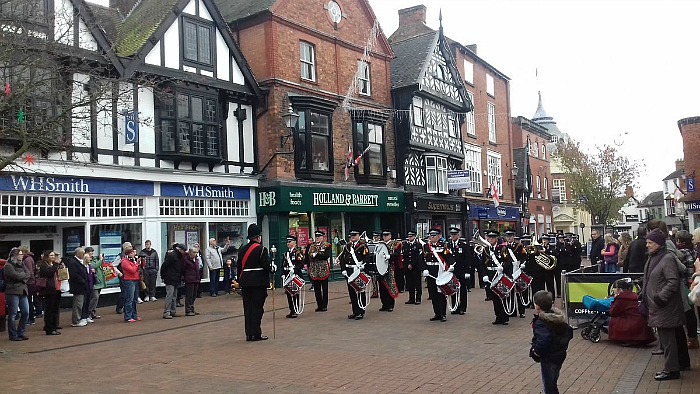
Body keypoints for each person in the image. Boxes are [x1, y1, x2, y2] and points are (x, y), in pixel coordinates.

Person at [643, 228, 687, 381]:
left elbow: (673, 281)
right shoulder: (653, 257)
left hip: (664, 306)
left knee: (668, 340)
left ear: (658, 244)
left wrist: (661, 297)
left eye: (650, 243)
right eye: (647, 242)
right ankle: (680, 364)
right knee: (669, 338)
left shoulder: (666, 258)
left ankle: (671, 370)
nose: (647, 245)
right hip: (659, 306)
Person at [529, 290, 573, 394]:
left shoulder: (541, 322)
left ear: (538, 306)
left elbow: (543, 340)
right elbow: (569, 332)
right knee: (553, 382)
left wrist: (536, 352)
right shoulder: (557, 318)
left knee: (548, 385)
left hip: (549, 357)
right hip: (559, 355)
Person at [237, 223, 273, 341]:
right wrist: (273, 268)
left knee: (248, 309)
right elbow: (267, 267)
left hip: (246, 283)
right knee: (257, 309)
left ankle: (248, 334)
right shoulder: (262, 249)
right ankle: (256, 333)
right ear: (258, 237)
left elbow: (239, 268)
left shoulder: (242, 249)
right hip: (258, 283)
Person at [608, 278, 656, 346]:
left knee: (613, 319)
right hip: (643, 326)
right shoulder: (635, 296)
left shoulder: (621, 298)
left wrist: (613, 302)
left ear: (620, 290)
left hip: (631, 325)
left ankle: (626, 338)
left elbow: (613, 312)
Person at [339, 230, 371, 320]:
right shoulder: (347, 246)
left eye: (354, 235)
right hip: (349, 270)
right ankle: (355, 311)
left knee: (360, 290)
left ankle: (361, 311)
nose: (352, 237)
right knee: (352, 292)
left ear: (358, 236)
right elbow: (342, 259)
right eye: (351, 235)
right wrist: (343, 269)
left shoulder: (362, 245)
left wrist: (363, 265)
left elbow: (367, 257)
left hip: (358, 269)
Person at [421, 228, 451, 322]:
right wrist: (424, 269)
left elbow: (449, 257)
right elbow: (421, 259)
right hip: (430, 271)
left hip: (440, 270)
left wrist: (450, 266)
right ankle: (437, 313)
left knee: (441, 293)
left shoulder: (443, 245)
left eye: (434, 236)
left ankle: (443, 314)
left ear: (438, 236)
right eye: (431, 236)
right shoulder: (426, 246)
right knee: (433, 293)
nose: (432, 237)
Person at [675, 230, 698, 349]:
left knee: (687, 312)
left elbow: (681, 269)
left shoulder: (681, 253)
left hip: (685, 284)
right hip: (694, 282)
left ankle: (691, 338)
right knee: (691, 312)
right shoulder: (693, 251)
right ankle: (693, 337)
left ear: (679, 241)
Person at [4, 247, 30, 341]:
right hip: (12, 292)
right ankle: (13, 335)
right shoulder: (8, 266)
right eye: (20, 254)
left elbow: (29, 273)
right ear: (15, 255)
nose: (22, 256)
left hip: (23, 291)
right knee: (13, 314)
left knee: (26, 312)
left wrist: (22, 276)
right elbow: (15, 276)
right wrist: (23, 276)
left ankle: (21, 332)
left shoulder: (22, 264)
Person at [305, 230, 331, 312]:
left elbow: (326, 256)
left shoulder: (327, 245)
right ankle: (319, 305)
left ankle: (324, 305)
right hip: (314, 269)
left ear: (322, 237)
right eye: (316, 237)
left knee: (324, 288)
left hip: (323, 269)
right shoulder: (311, 246)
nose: (317, 238)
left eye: (319, 237)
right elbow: (308, 255)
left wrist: (317, 255)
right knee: (316, 288)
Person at [445, 228, 469, 315]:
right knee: (453, 289)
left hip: (461, 270)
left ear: (458, 235)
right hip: (452, 271)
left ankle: (462, 308)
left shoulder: (463, 245)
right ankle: (455, 307)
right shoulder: (448, 245)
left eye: (455, 234)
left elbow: (467, 259)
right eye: (452, 234)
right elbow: (446, 257)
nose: (453, 236)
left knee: (462, 290)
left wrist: (467, 271)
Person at [38, 251, 62, 335]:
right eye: (51, 255)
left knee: (55, 309)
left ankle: (54, 326)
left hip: (57, 288)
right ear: (46, 256)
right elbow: (49, 273)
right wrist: (55, 265)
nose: (53, 257)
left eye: (53, 255)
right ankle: (49, 328)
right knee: (49, 310)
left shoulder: (54, 265)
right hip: (49, 289)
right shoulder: (43, 265)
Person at [161, 243, 185, 319]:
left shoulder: (179, 256)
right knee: (170, 296)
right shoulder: (171, 256)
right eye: (183, 250)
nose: (184, 252)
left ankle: (172, 311)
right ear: (180, 250)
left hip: (176, 278)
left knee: (174, 296)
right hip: (170, 278)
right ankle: (166, 312)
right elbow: (164, 266)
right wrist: (163, 276)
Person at [282, 235, 305, 318]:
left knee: (294, 293)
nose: (287, 243)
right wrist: (283, 274)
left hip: (295, 276)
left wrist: (294, 270)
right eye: (287, 242)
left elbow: (301, 264)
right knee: (288, 294)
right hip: (288, 276)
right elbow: (283, 265)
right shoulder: (286, 254)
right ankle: (292, 310)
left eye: (289, 242)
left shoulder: (298, 253)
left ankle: (295, 309)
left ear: (294, 243)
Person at [66, 247, 89, 327]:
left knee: (81, 303)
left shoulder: (80, 262)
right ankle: (76, 321)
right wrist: (83, 281)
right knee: (78, 304)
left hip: (82, 287)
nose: (84, 255)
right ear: (78, 254)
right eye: (83, 253)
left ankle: (80, 318)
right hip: (77, 287)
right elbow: (74, 275)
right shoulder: (73, 262)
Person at [18, 246, 39, 325]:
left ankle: (30, 318)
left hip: (29, 283)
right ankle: (30, 317)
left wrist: (24, 281)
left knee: (28, 300)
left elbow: (29, 272)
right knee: (28, 300)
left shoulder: (27, 260)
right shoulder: (29, 259)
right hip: (30, 282)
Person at [120, 247, 141, 323]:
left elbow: (137, 269)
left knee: (134, 299)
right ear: (128, 254)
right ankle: (128, 316)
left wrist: (139, 263)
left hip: (135, 280)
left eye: (133, 252)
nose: (134, 254)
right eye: (131, 253)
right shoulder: (124, 261)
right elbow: (132, 270)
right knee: (129, 299)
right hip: (129, 280)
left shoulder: (133, 260)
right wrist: (137, 264)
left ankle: (134, 315)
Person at [402, 231, 423, 305]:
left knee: (417, 283)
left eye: (411, 236)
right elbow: (405, 256)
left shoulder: (418, 245)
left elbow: (418, 257)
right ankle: (411, 298)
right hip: (408, 267)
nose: (409, 238)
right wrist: (407, 264)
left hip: (416, 267)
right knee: (410, 283)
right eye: (409, 236)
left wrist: (412, 264)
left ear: (414, 237)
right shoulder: (405, 245)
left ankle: (418, 298)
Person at [85, 247, 105, 320]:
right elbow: (94, 266)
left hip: (99, 281)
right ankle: (88, 313)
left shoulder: (94, 259)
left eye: (92, 252)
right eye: (91, 253)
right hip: (93, 283)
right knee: (94, 297)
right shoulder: (88, 261)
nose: (92, 254)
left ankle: (93, 312)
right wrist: (100, 260)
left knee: (96, 299)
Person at [183, 246, 201, 316]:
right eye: (194, 252)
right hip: (189, 280)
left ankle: (192, 308)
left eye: (196, 252)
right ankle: (188, 310)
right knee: (189, 295)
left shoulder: (196, 259)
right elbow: (183, 269)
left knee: (194, 295)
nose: (195, 254)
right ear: (190, 253)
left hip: (196, 279)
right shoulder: (186, 260)